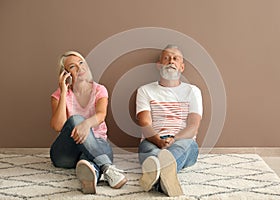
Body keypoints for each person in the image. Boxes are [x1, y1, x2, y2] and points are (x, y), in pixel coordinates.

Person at [50, 51, 127, 194]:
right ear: (66, 73)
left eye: (81, 63)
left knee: (88, 163)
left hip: (96, 143)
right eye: (73, 66)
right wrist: (63, 91)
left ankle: (91, 178)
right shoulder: (58, 95)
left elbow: (101, 115)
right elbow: (58, 126)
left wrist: (86, 125)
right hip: (66, 154)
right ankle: (107, 167)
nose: (80, 68)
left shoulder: (99, 90)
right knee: (75, 119)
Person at [136, 45, 203, 197]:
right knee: (152, 153)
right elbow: (145, 124)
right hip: (152, 140)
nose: (171, 62)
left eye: (175, 59)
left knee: (180, 149)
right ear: (159, 65)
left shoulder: (193, 91)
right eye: (166, 58)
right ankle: (164, 178)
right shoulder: (145, 90)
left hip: (183, 141)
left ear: (182, 67)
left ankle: (154, 176)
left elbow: (193, 126)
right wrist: (158, 141)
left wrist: (174, 139)